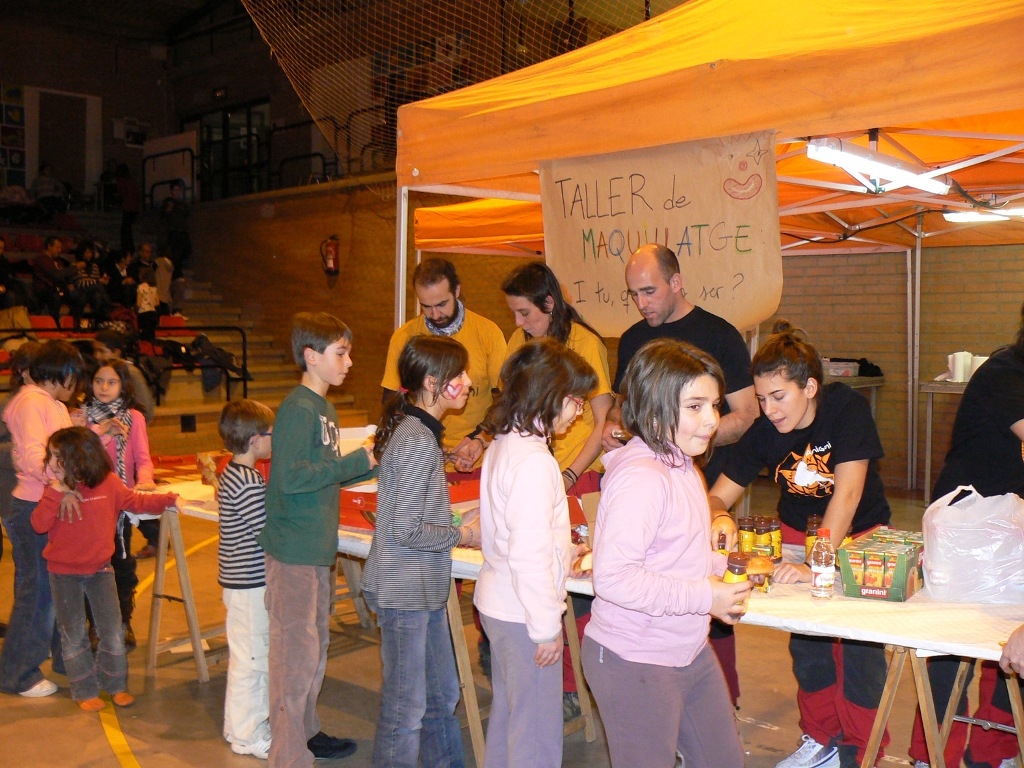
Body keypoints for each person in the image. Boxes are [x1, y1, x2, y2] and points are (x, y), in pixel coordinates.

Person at [707, 320, 892, 768]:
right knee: (808, 647)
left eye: (779, 396)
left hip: (858, 538)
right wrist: (718, 515)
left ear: (809, 387)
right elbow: (717, 493)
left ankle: (860, 751)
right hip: (797, 538)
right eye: (761, 397)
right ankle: (820, 738)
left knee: (856, 649)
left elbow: (846, 497)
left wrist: (820, 564)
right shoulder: (765, 429)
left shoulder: (846, 411)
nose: (768, 409)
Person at [600, 242, 759, 707]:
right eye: (633, 294)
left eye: (649, 291)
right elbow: (624, 407)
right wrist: (620, 430)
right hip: (661, 467)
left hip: (703, 477)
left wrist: (694, 438)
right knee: (673, 582)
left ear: (677, 282)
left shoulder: (721, 335)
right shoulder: (632, 340)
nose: (641, 302)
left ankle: (719, 697)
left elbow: (746, 413)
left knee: (711, 605)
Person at [583, 339, 750, 768]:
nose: (712, 420)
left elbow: (677, 557)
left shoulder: (684, 466)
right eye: (694, 406)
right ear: (655, 407)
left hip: (687, 648)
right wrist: (705, 597)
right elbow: (615, 578)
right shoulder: (642, 478)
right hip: (634, 659)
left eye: (714, 404)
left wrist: (725, 567)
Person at [257, 311, 376, 767]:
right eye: (340, 353)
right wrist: (352, 463)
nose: (349, 362)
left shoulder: (324, 409)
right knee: (294, 656)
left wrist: (376, 461)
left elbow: (326, 476)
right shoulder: (298, 408)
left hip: (315, 550)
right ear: (311, 356)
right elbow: (289, 478)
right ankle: (288, 756)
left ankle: (305, 733)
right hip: (293, 553)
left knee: (313, 649)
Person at [909, 302, 1024, 768]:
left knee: (1010, 640)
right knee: (950, 650)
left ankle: (993, 752)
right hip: (965, 533)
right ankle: (932, 756)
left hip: (1010, 531)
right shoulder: (1005, 375)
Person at [473, 338, 596, 768]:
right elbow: (527, 552)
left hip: (503, 604)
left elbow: (524, 533)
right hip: (525, 614)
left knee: (513, 717)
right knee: (537, 733)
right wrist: (547, 627)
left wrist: (563, 547)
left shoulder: (507, 443)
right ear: (551, 396)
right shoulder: (533, 461)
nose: (579, 412)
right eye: (576, 401)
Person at [360, 335, 478, 767]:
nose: (467, 382)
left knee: (441, 695)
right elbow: (406, 529)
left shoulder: (420, 433)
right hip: (403, 590)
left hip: (420, 588)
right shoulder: (414, 439)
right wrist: (463, 535)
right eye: (458, 374)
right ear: (432, 382)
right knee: (405, 710)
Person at [30, 426, 178, 711]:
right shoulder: (55, 492)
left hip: (101, 571)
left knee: (112, 630)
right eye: (50, 456)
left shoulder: (108, 484)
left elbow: (136, 501)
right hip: (64, 576)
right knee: (74, 635)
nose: (50, 463)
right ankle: (84, 689)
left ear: (79, 459)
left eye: (57, 457)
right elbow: (38, 525)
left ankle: (116, 685)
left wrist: (170, 499)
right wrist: (57, 493)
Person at [0, 340, 85, 697]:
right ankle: (18, 673)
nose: (76, 385)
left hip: (46, 503)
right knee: (37, 593)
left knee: (54, 588)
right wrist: (60, 483)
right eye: (74, 377)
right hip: (36, 505)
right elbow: (33, 457)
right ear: (62, 374)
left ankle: (62, 657)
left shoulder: (47, 402)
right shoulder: (34, 402)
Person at [381, 258, 506, 473]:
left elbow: (505, 398)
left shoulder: (487, 333)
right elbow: (392, 403)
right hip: (424, 456)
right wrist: (430, 448)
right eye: (426, 307)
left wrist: (479, 438)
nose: (435, 315)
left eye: (441, 304)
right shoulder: (404, 337)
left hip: (477, 460)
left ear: (457, 291)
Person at [83, 358, 156, 651]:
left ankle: (123, 623)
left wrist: (146, 480)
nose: (103, 387)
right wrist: (103, 433)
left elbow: (143, 458)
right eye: (99, 381)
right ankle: (96, 627)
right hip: (89, 504)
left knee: (122, 565)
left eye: (111, 382)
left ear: (122, 385)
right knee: (92, 567)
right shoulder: (81, 418)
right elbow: (82, 458)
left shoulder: (134, 417)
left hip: (120, 505)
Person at [217, 399, 275, 760]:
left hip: (243, 583)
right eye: (271, 435)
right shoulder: (248, 481)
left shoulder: (234, 473)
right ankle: (247, 734)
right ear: (256, 440)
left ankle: (238, 725)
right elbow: (267, 530)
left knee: (247, 657)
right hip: (249, 584)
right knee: (253, 661)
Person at [31, 236, 79, 323]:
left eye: (60, 248)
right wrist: (75, 267)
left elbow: (64, 276)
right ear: (49, 246)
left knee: (80, 296)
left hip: (59, 289)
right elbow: (56, 275)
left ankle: (74, 323)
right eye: (57, 247)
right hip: (46, 290)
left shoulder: (59, 262)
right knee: (55, 297)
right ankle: (54, 323)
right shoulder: (42, 260)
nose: (59, 250)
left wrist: (69, 284)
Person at [160, 180, 191, 280]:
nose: (176, 192)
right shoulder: (168, 202)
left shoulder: (182, 204)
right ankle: (177, 274)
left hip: (182, 231)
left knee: (185, 251)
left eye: (178, 190)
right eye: (175, 190)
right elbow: (164, 214)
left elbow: (187, 213)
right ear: (171, 191)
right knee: (175, 253)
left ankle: (177, 271)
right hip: (173, 231)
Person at [114, 164, 141, 256]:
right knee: (128, 228)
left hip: (127, 206)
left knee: (125, 229)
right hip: (134, 207)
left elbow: (121, 193)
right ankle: (129, 246)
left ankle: (127, 246)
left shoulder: (121, 181)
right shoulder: (132, 182)